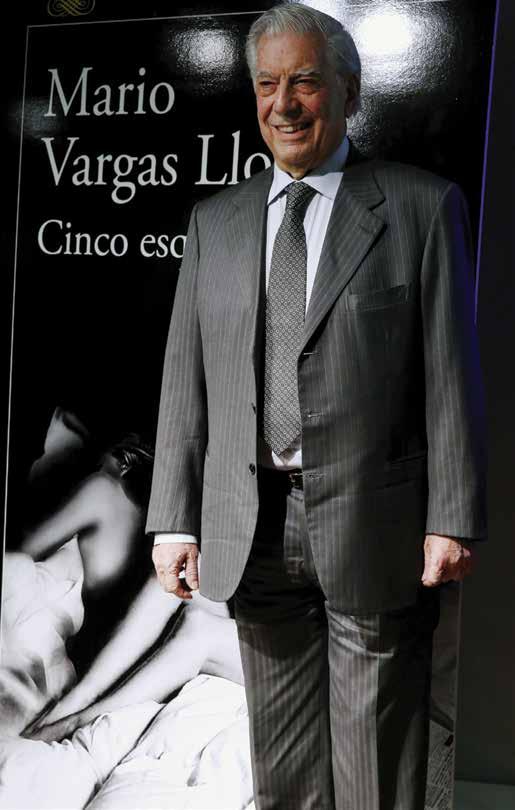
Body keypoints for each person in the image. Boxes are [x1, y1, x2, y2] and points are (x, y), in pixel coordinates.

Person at [146, 4, 487, 809]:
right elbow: (185, 380)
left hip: (374, 526)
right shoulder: (216, 223)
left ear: (349, 92)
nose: (284, 104)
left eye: (304, 81)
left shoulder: (418, 207)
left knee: (376, 765)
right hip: (251, 525)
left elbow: (450, 374)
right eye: (267, 85)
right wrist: (173, 520)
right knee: (284, 768)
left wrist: (451, 516)